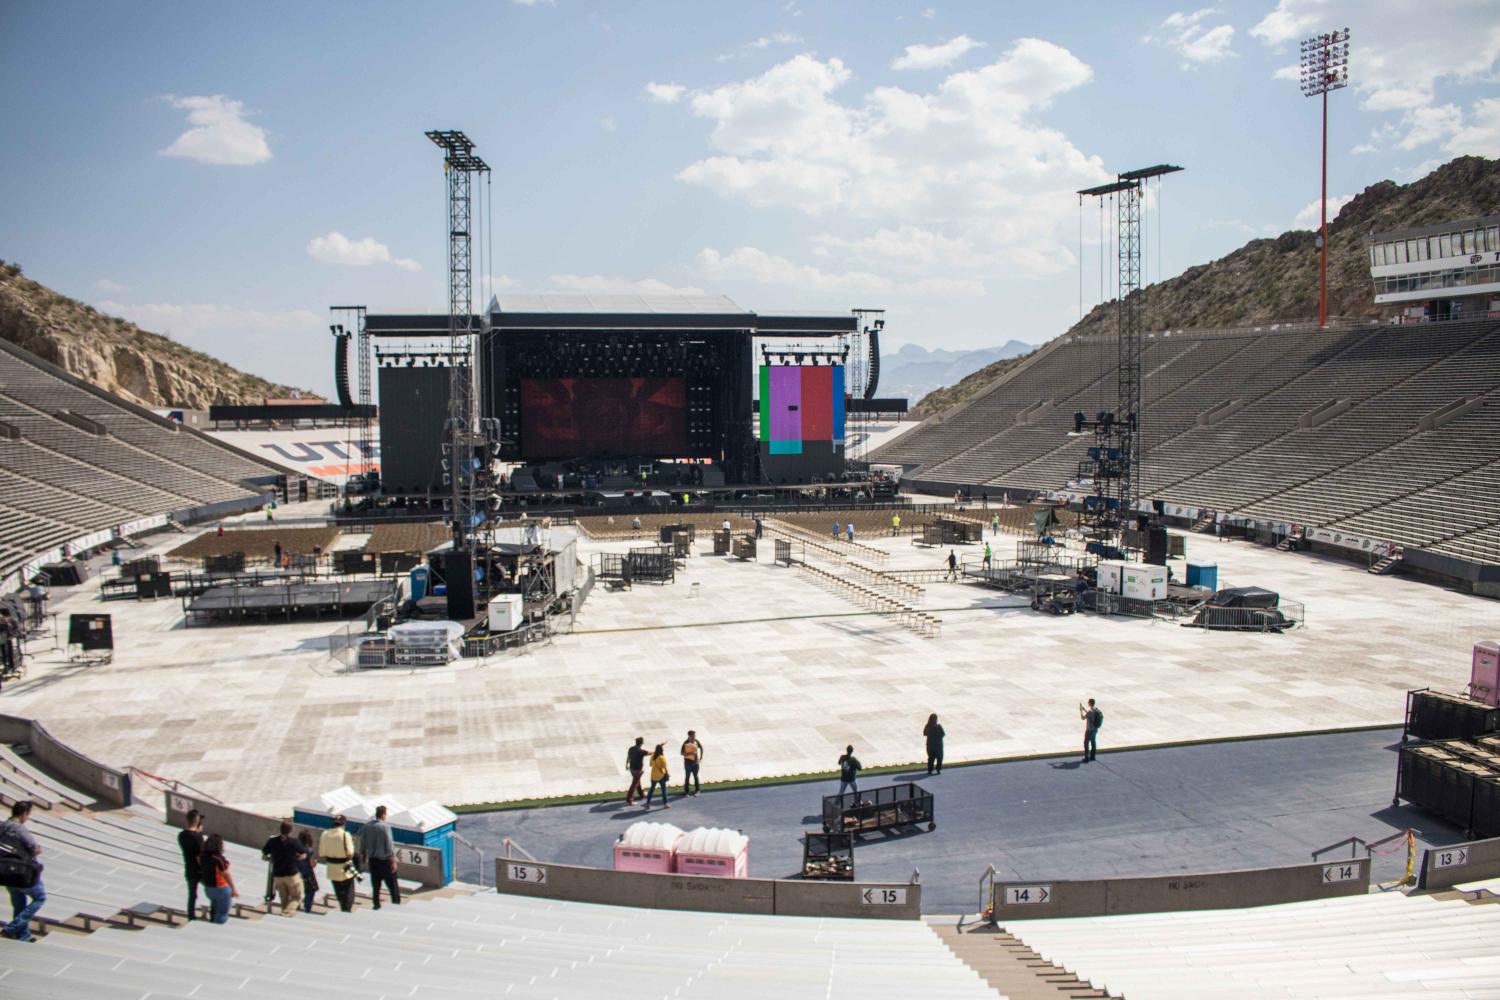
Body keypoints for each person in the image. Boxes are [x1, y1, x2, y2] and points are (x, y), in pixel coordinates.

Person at [0, 801, 45, 941]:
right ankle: (11, 929)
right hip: (22, 872)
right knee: (40, 897)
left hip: (6, 872)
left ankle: (23, 937)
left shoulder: (2, 826)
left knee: (19, 904)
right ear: (24, 814)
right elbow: (35, 849)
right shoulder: (20, 829)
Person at [261, 821, 307, 917]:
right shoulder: (295, 842)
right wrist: (298, 857)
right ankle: (286, 914)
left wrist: (269, 858)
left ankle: (284, 915)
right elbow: (303, 853)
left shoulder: (273, 841)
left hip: (277, 875)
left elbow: (264, 854)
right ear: (291, 830)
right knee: (298, 896)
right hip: (291, 874)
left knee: (284, 898)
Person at [359, 805, 400, 909]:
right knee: (393, 886)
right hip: (385, 861)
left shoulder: (367, 826)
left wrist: (363, 855)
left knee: (376, 886)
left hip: (373, 861)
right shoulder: (385, 827)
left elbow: (362, 842)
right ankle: (396, 905)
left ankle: (376, 905)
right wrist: (393, 861)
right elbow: (389, 844)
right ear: (383, 815)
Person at [318, 815, 359, 913]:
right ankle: (346, 911)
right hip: (345, 867)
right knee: (349, 893)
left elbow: (321, 853)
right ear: (344, 824)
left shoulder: (325, 834)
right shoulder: (345, 835)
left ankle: (343, 908)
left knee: (339, 892)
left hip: (332, 867)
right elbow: (350, 853)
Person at [200, 833, 238, 925]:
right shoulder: (218, 858)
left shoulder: (202, 856)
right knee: (222, 914)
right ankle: (216, 931)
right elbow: (226, 874)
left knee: (215, 910)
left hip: (208, 888)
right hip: (221, 889)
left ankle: (212, 926)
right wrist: (233, 889)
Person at [177, 809, 205, 921]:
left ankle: (191, 916)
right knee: (213, 889)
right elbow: (200, 855)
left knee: (192, 894)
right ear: (197, 820)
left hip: (189, 868)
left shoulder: (181, 835)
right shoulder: (198, 837)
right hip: (199, 870)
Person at [295, 830, 319, 913]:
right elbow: (312, 864)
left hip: (296, 873)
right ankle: (307, 908)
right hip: (307, 874)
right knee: (310, 891)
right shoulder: (309, 850)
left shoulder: (295, 849)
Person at [644, 744, 671, 810]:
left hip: (653, 775)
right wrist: (667, 774)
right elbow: (665, 767)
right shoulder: (662, 757)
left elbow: (651, 765)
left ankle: (647, 804)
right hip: (661, 776)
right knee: (663, 790)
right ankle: (665, 804)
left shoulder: (652, 756)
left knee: (651, 790)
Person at [624, 737, 648, 806]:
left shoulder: (631, 749)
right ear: (641, 743)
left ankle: (641, 795)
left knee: (637, 782)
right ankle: (629, 800)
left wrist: (626, 764)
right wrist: (659, 748)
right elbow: (650, 753)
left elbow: (628, 757)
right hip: (638, 770)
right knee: (634, 784)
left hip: (632, 769)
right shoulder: (641, 751)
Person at [681, 730, 704, 797]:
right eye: (693, 735)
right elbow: (682, 753)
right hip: (688, 762)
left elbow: (701, 748)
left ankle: (697, 790)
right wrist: (690, 753)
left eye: (694, 735)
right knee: (687, 777)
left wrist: (701, 757)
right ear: (689, 735)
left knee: (696, 777)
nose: (694, 736)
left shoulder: (696, 741)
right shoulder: (685, 743)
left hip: (695, 762)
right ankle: (687, 792)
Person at [1080, 698, 1103, 763]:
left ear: (1090, 703)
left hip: (1089, 730)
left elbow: (1083, 718)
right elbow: (1090, 716)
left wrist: (1081, 711)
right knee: (1093, 741)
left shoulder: (1090, 712)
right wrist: (1084, 709)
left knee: (1086, 742)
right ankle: (1093, 756)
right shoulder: (1096, 709)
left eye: (1088, 702)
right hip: (1095, 729)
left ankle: (1086, 758)